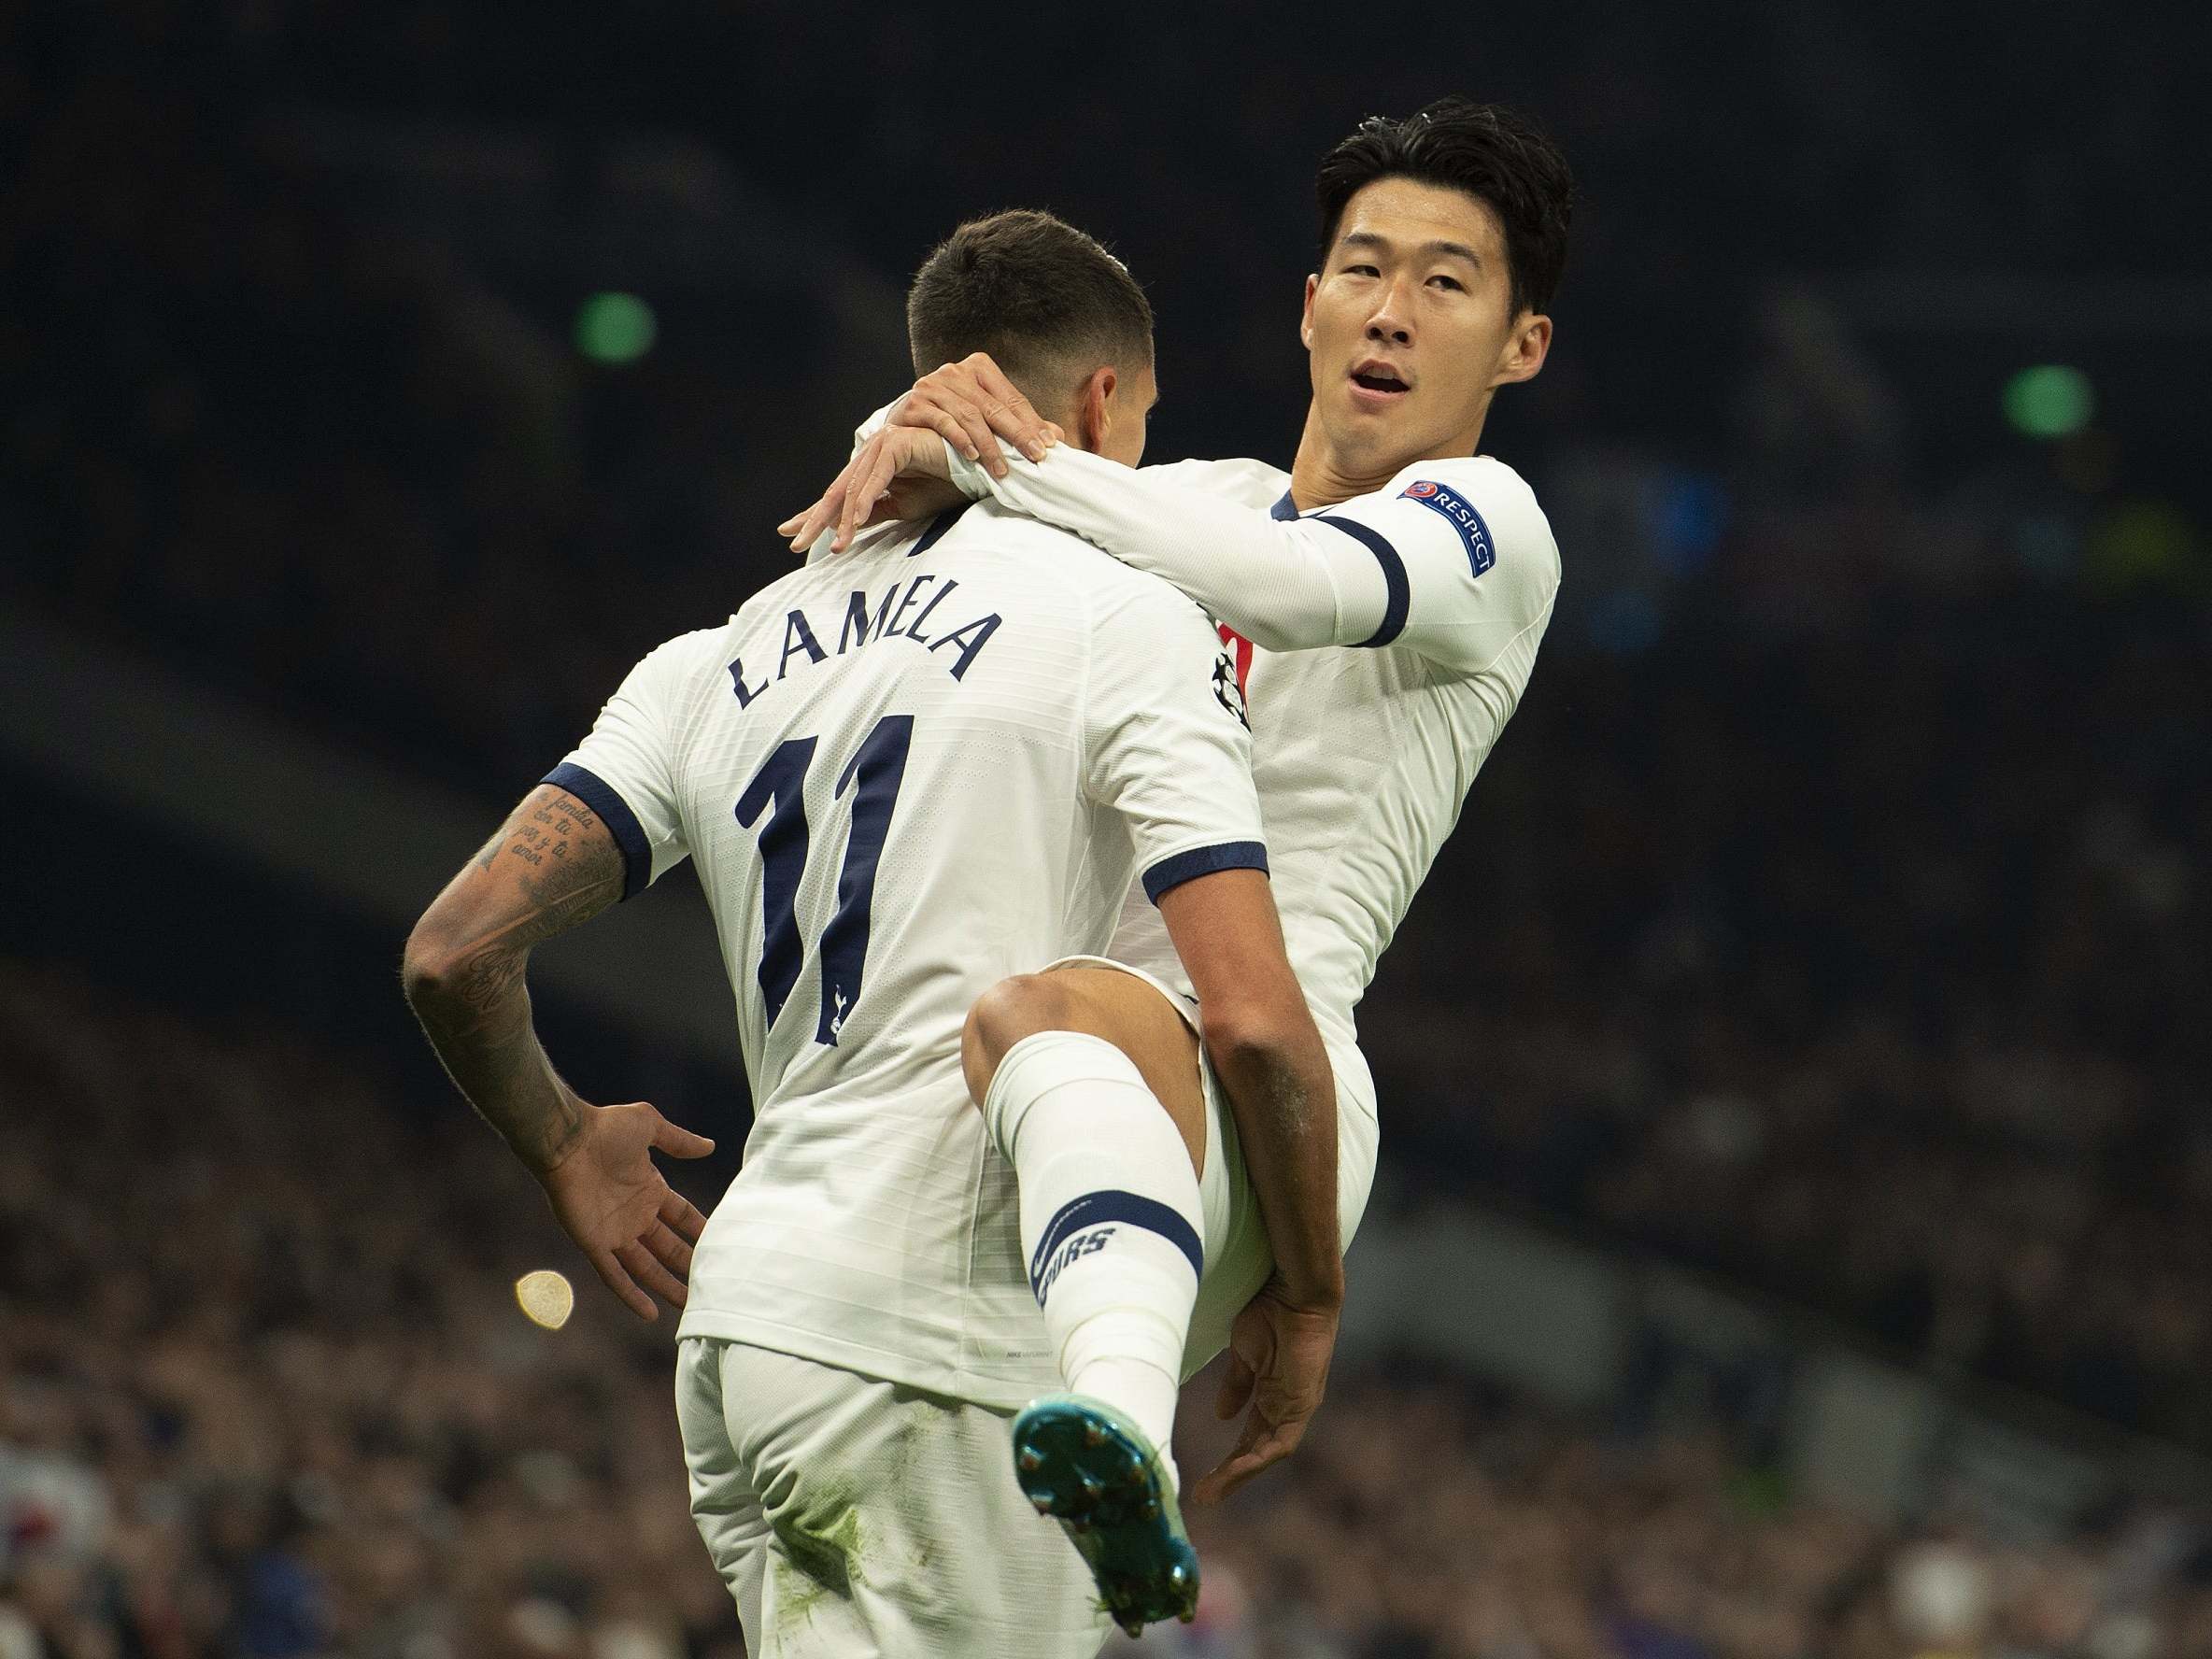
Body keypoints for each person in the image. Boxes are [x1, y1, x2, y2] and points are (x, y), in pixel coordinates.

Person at [401, 208, 1340, 1655]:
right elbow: (1256, 1016)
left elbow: (453, 951)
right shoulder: (1128, 620)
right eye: (1142, 425)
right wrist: (1311, 1286)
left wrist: (564, 1142)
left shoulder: (710, 657)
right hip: (941, 1349)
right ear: (1102, 404)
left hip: (749, 1332)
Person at [779, 92, 1573, 1487]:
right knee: (921, 1546)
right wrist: (928, 428)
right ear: (1310, 302)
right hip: (1032, 1079)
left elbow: (1294, 582)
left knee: (1043, 1012)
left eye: (1445, 284)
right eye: (1365, 267)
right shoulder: (1191, 500)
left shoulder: (1493, 534)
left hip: (1251, 1081)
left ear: (1522, 346)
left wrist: (983, 447)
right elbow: (925, 441)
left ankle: (1125, 1435)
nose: (1391, 310)